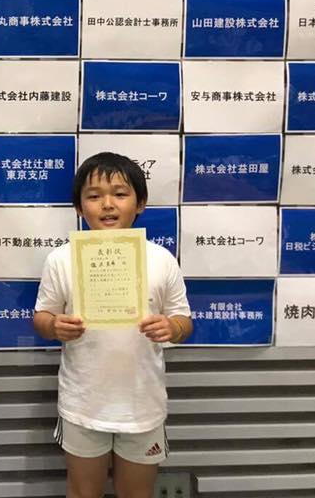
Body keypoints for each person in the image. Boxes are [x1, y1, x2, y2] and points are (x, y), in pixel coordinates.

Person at [33, 152, 192, 498]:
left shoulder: (162, 259)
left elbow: (184, 319)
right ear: (79, 207)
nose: (107, 204)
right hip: (83, 404)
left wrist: (172, 328)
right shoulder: (61, 259)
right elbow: (42, 316)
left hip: (142, 405)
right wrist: (55, 326)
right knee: (82, 493)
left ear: (140, 203)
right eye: (94, 196)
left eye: (120, 194)